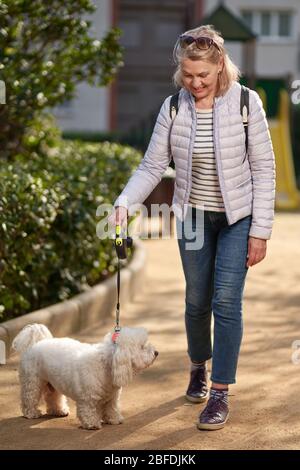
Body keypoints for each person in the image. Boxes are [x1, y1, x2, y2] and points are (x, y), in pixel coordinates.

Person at [110, 25, 275, 431]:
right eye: (188, 75)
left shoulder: (246, 103)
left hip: (239, 217)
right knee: (196, 302)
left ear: (220, 66)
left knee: (226, 301)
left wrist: (261, 231)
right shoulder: (173, 107)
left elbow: (264, 169)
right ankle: (198, 366)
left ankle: (219, 392)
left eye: (203, 75)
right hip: (193, 218)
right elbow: (151, 165)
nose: (195, 82)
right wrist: (124, 202)